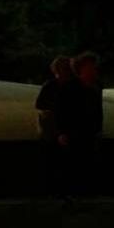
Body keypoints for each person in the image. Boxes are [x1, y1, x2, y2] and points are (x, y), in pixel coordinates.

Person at [35, 55, 81, 205]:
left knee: (60, 162)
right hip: (56, 130)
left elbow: (41, 106)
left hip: (56, 130)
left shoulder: (53, 86)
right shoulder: (60, 86)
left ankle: (59, 191)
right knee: (60, 161)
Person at [72, 51, 103, 196]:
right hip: (77, 131)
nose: (95, 69)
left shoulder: (96, 85)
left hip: (91, 130)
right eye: (92, 66)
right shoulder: (73, 87)